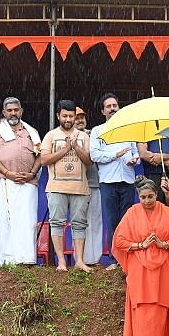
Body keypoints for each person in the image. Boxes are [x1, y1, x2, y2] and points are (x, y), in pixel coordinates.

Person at [112, 176, 169, 336]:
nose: (147, 201)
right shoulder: (131, 213)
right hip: (139, 267)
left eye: (150, 196)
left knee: (159, 305)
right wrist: (140, 245)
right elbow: (119, 241)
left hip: (162, 266)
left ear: (156, 194)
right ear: (138, 196)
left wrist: (164, 244)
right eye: (143, 197)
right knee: (141, 305)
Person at [0, 96, 42, 266]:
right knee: (6, 220)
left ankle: (27, 258)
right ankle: (9, 260)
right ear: (4, 112)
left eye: (15, 110)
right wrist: (7, 172)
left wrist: (32, 173)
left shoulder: (31, 131)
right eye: (9, 110)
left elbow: (40, 155)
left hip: (28, 182)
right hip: (5, 180)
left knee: (28, 219)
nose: (13, 113)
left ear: (21, 111)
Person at [41, 99, 92, 272]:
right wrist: (64, 149)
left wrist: (76, 147)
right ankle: (61, 262)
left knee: (79, 224)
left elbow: (89, 161)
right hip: (56, 187)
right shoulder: (50, 135)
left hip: (80, 188)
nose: (68, 119)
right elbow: (44, 160)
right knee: (57, 223)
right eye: (65, 116)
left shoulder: (84, 136)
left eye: (71, 116)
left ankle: (79, 261)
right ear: (58, 116)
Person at [90, 93, 139, 270]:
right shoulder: (97, 131)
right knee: (111, 220)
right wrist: (115, 155)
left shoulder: (128, 130)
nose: (112, 109)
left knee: (126, 220)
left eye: (115, 105)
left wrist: (135, 159)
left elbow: (135, 153)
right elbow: (94, 155)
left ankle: (126, 257)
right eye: (108, 106)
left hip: (127, 179)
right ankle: (113, 258)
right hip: (108, 181)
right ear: (103, 111)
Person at [75, 107, 104, 265]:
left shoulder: (94, 134)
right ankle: (81, 259)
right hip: (75, 186)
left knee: (96, 222)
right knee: (80, 222)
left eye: (82, 117)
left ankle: (95, 259)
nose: (80, 120)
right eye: (76, 117)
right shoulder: (68, 136)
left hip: (94, 184)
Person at [137, 133, 169, 206]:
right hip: (152, 176)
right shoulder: (145, 129)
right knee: (155, 207)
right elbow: (143, 154)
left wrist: (162, 156)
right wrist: (167, 163)